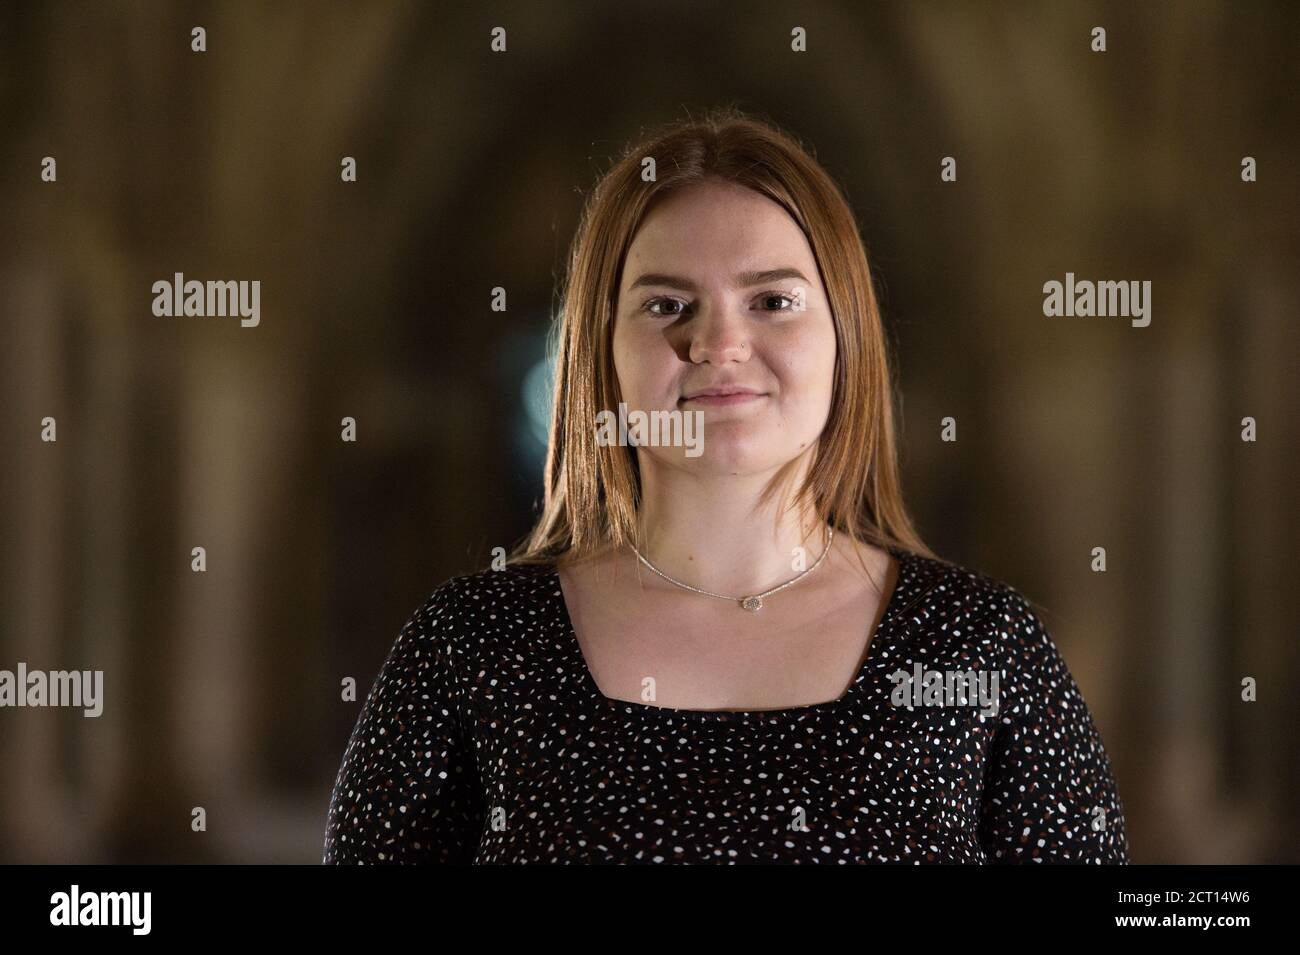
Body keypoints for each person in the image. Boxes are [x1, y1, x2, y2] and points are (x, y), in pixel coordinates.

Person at [323, 107, 1129, 864]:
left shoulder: (981, 648)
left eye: (773, 300)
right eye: (667, 303)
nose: (718, 342)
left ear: (846, 336)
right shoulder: (471, 650)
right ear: (600, 352)